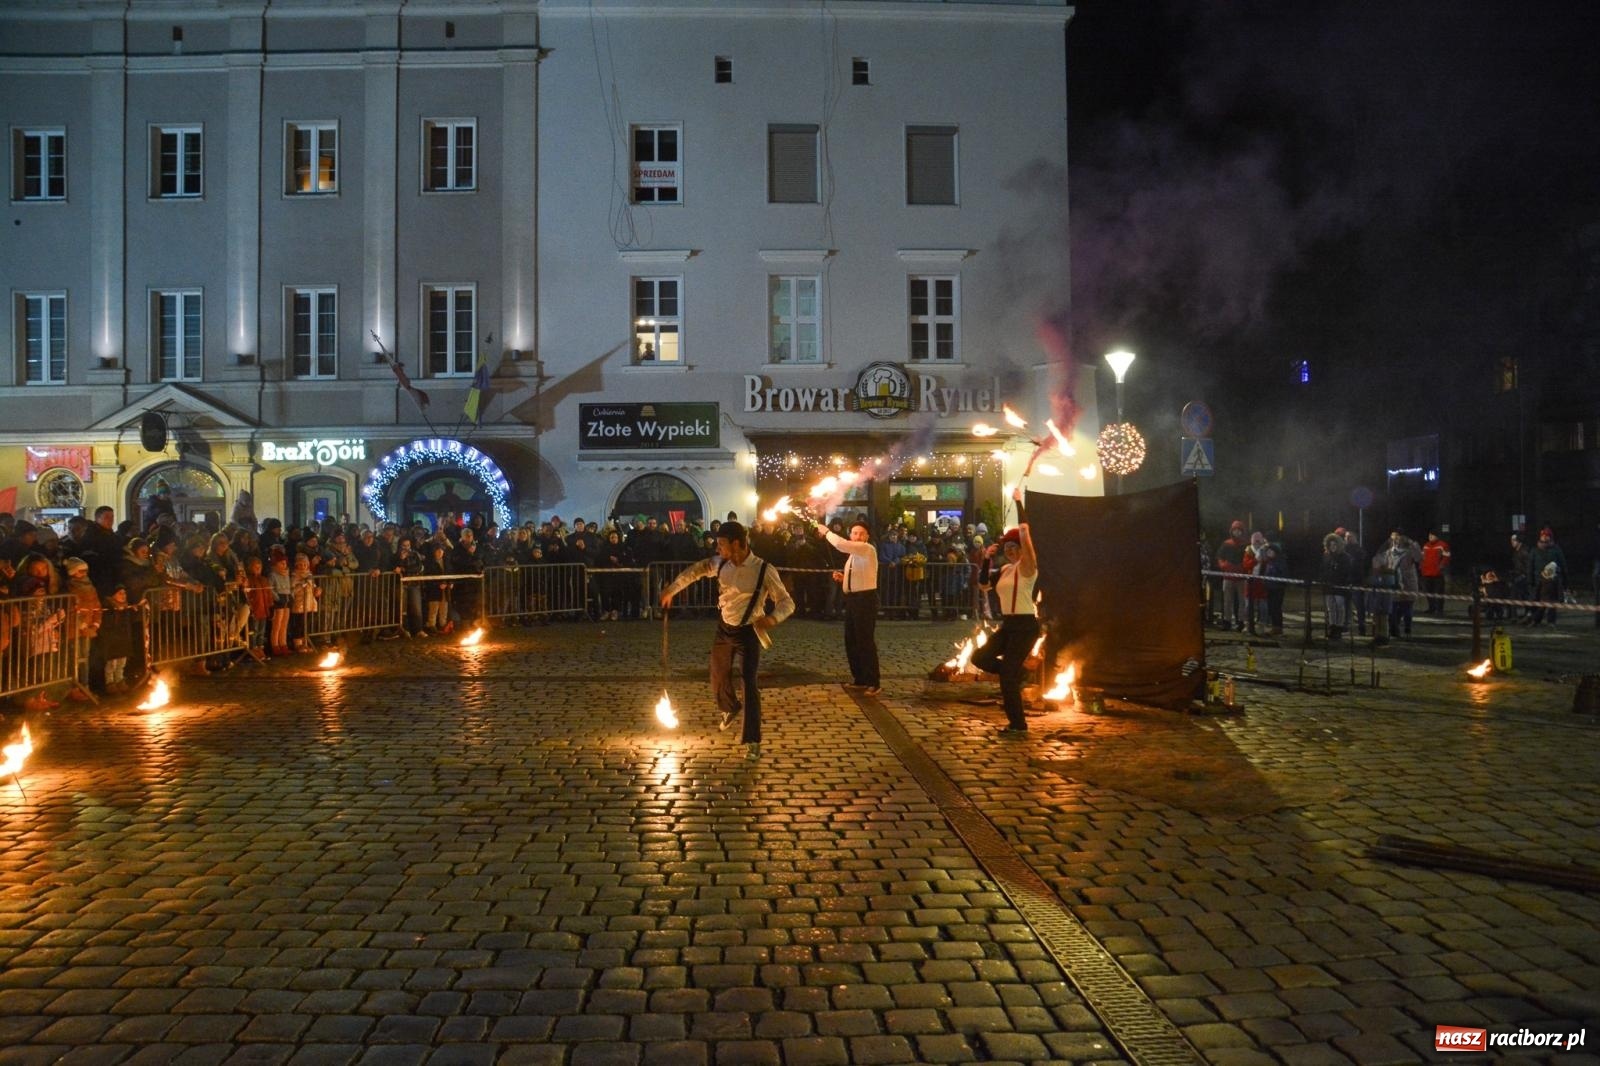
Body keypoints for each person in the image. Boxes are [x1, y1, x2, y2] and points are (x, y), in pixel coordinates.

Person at [658, 521, 793, 758]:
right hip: (725, 628)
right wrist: (672, 590)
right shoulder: (720, 564)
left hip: (749, 631)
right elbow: (696, 571)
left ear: (737, 543)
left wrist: (772, 619)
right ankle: (729, 708)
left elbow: (786, 602)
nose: (717, 548)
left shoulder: (763, 569)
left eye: (721, 544)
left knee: (748, 683)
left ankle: (753, 741)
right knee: (718, 673)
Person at [971, 494, 1039, 736]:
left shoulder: (1028, 567)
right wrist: (988, 558)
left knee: (1006, 678)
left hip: (1026, 625)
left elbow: (1024, 532)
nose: (1011, 552)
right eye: (1008, 548)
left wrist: (1019, 502)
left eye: (1015, 548)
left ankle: (1018, 724)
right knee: (979, 658)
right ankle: (1020, 672)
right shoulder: (1005, 570)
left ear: (1021, 549)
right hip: (1009, 625)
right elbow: (982, 585)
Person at [814, 517, 880, 694]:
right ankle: (860, 678)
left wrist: (826, 531)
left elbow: (840, 544)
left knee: (865, 641)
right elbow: (859, 577)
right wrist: (844, 580)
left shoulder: (867, 549)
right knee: (851, 640)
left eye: (861, 533)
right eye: (855, 533)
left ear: (867, 536)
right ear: (851, 534)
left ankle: (873, 681)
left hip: (865, 600)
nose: (857, 536)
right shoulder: (853, 555)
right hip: (853, 599)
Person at [1420, 531, 1450, 614]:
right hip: (1426, 573)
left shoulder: (1442, 545)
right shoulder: (1426, 545)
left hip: (1437, 574)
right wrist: (1422, 567)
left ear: (1437, 536)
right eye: (1429, 535)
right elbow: (1422, 557)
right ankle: (1431, 607)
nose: (1430, 537)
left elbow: (1446, 557)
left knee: (1439, 592)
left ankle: (1439, 609)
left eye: (1432, 535)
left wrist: (1441, 567)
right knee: (1428, 591)